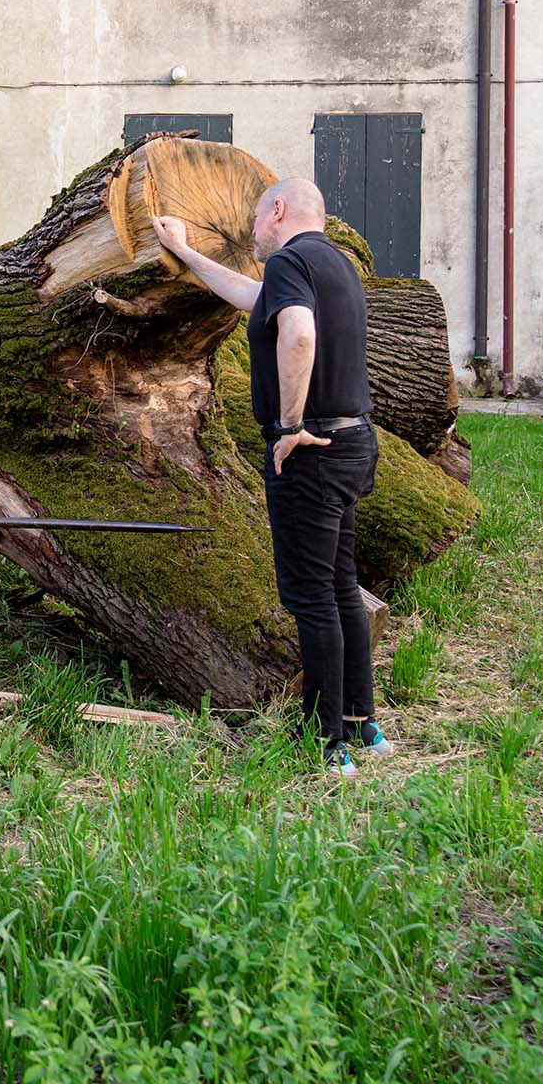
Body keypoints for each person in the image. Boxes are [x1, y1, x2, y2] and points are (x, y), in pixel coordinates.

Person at [151, 181, 394, 777]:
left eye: (255, 217)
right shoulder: (332, 264)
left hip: (309, 449)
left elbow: (300, 334)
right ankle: (362, 727)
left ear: (277, 211)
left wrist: (289, 423)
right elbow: (250, 296)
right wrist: (185, 253)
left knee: (311, 597)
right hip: (354, 442)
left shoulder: (288, 259)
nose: (252, 231)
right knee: (339, 586)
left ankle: (323, 739)